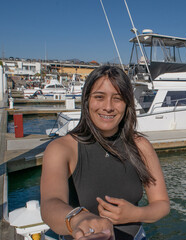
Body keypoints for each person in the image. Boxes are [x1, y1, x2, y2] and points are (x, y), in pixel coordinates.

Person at [40, 66, 170, 240]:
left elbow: (162, 204)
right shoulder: (61, 149)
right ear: (86, 100)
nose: (108, 107)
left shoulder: (141, 146)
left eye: (117, 99)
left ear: (127, 104)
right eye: (99, 97)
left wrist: (135, 214)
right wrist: (80, 219)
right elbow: (50, 204)